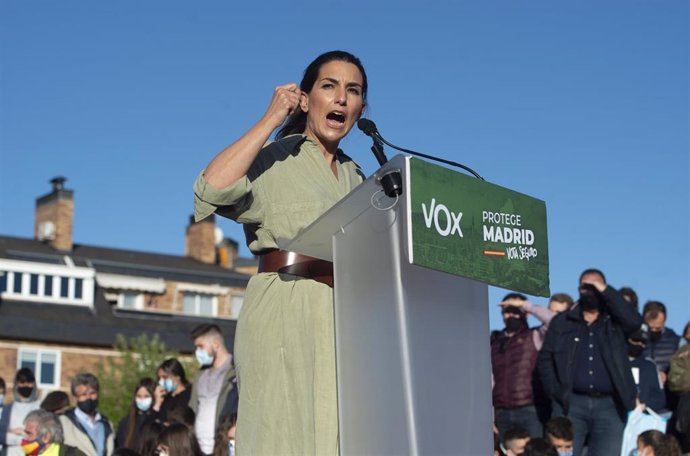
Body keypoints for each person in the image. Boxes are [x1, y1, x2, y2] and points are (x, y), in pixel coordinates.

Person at [192, 50, 368, 455]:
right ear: (305, 99)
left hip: (345, 318)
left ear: (360, 108)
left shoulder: (361, 179)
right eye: (329, 86)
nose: (341, 97)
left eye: (353, 90)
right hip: (284, 307)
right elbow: (209, 189)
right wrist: (270, 119)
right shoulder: (274, 158)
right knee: (281, 432)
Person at [537, 268, 642, 456]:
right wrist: (555, 391)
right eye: (584, 287)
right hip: (571, 404)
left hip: (609, 405)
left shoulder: (614, 321)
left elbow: (634, 321)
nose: (589, 291)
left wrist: (607, 291)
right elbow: (545, 359)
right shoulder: (563, 322)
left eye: (594, 286)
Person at [492, 293, 555, 438]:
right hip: (502, 413)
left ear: (525, 314)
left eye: (515, 311)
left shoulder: (534, 335)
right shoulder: (495, 343)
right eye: (507, 311)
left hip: (530, 410)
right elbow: (491, 379)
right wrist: (490, 414)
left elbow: (554, 321)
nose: (511, 315)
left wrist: (526, 305)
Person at [188, 324, 236, 455]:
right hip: (198, 448)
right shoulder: (201, 375)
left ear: (215, 343)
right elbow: (193, 407)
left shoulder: (235, 373)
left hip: (222, 448)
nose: (197, 352)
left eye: (200, 346)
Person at [60, 373, 114, 456]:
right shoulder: (63, 422)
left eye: (92, 393)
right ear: (75, 398)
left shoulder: (106, 424)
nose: (89, 397)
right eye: (83, 394)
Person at [0, 367, 42, 456]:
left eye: (29, 382)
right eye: (22, 382)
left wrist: (13, 433)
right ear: (17, 384)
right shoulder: (8, 409)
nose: (26, 385)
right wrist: (23, 438)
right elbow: (1, 436)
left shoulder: (40, 408)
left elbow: (42, 437)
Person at [642, 301, 681, 382]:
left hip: (667, 390)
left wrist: (668, 375)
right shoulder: (634, 340)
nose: (653, 330)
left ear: (664, 321)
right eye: (650, 328)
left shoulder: (678, 342)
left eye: (658, 328)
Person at [628, 329, 666, 411]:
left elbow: (659, 398)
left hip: (642, 417)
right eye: (636, 341)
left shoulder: (649, 366)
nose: (640, 344)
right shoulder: (614, 362)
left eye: (643, 342)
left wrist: (645, 406)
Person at [21, 409, 87, 456]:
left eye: (29, 433)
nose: (25, 438)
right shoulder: (31, 454)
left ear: (46, 437)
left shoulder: (73, 454)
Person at [115, 378, 156, 451]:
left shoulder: (157, 419)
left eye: (146, 396)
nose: (142, 399)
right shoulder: (126, 422)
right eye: (139, 396)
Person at [152, 359, 191, 425]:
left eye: (165, 377)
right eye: (159, 378)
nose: (161, 382)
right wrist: (157, 404)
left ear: (177, 377)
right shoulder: (166, 398)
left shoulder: (189, 396)